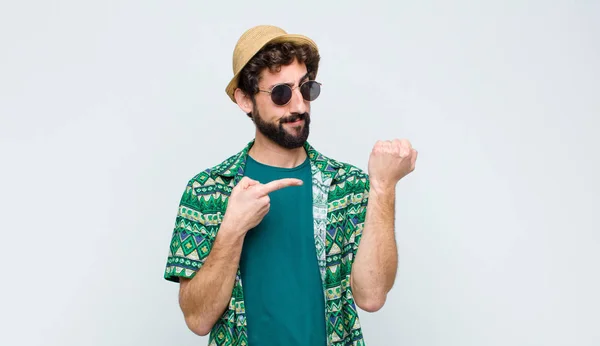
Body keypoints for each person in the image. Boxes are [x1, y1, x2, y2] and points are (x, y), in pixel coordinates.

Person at [163, 24, 418, 346]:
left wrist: (383, 186)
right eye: (281, 93)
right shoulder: (208, 191)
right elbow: (198, 320)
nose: (299, 106)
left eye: (306, 89)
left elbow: (372, 296)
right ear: (245, 99)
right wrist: (232, 228)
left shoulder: (347, 185)